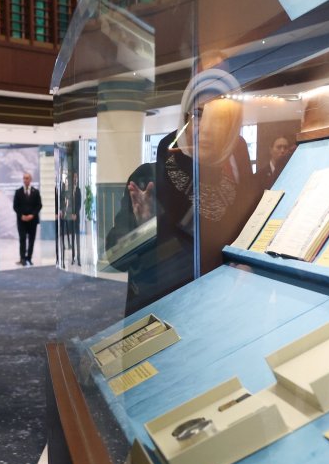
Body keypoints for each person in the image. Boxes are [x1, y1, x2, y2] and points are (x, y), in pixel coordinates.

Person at [105, 69, 261, 314]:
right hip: (161, 316)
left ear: (232, 127)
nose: (206, 128)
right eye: (198, 114)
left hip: (219, 314)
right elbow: (115, 257)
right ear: (185, 119)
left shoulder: (236, 186)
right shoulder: (148, 178)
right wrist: (144, 228)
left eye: (220, 118)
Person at [13, 171, 42, 265]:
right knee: (22, 239)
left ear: (30, 180)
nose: (25, 180)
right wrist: (22, 215)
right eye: (24, 178)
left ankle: (29, 258)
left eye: (27, 178)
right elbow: (15, 206)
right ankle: (22, 258)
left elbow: (39, 205)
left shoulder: (36, 192)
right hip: (21, 220)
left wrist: (32, 215)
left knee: (31, 240)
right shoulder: (18, 192)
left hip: (32, 220)